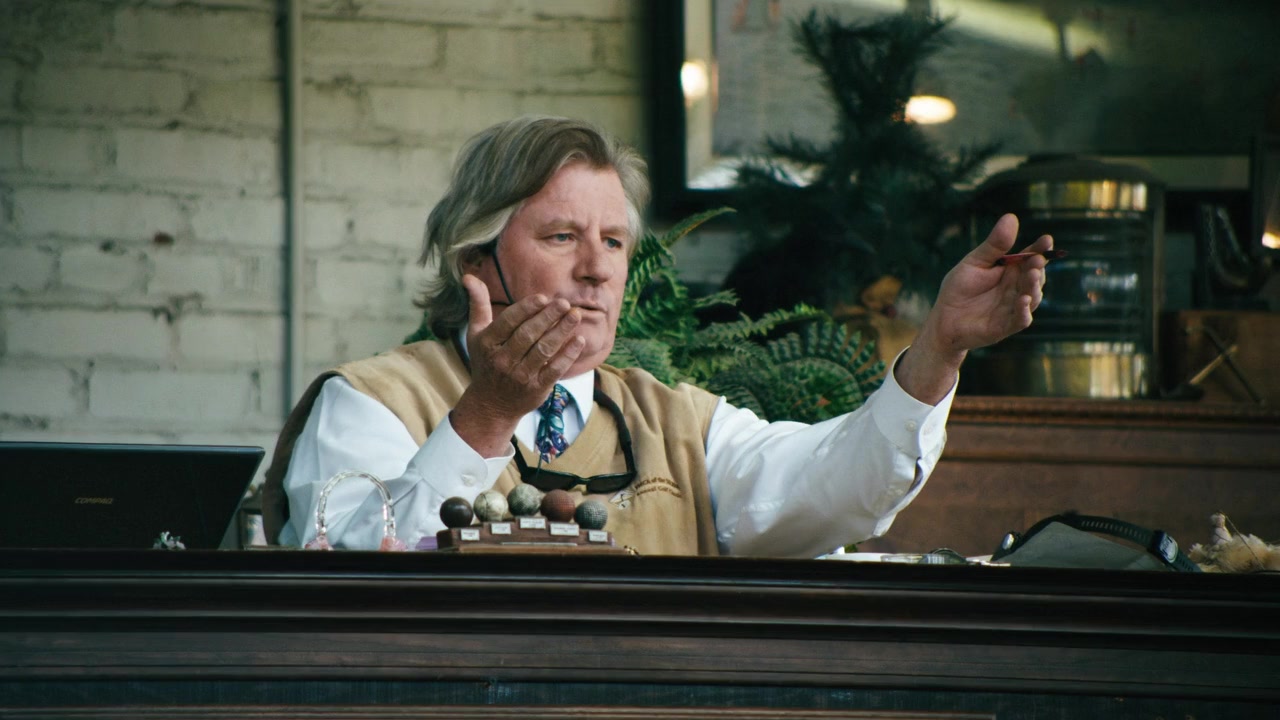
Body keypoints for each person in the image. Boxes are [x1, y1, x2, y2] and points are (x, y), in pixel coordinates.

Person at [261, 116, 1053, 557]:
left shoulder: (681, 424)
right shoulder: (371, 401)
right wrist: (488, 414)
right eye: (562, 237)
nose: (596, 269)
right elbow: (349, 584)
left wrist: (938, 351)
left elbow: (838, 489)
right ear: (476, 261)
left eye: (613, 242)